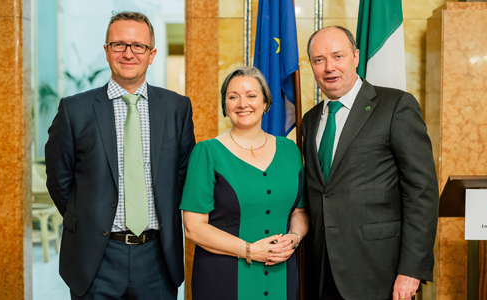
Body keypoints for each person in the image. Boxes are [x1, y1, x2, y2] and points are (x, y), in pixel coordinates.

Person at [45, 11, 195, 299]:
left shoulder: (177, 108)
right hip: (96, 258)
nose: (129, 53)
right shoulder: (74, 110)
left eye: (138, 46)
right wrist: (92, 217)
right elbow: (59, 181)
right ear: (106, 51)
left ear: (151, 54)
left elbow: (182, 174)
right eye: (119, 45)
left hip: (157, 257)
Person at [302, 26, 439, 300]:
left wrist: (411, 270)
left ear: (356, 56)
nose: (329, 67)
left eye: (337, 56)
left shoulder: (395, 106)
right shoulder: (310, 119)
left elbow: (421, 192)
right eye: (319, 60)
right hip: (321, 270)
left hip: (380, 272)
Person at [180, 66, 309, 300]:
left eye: (251, 95)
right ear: (225, 105)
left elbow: (300, 211)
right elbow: (193, 227)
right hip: (223, 278)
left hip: (282, 274)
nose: (242, 103)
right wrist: (249, 250)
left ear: (266, 102)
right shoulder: (207, 152)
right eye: (233, 97)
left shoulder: (290, 150)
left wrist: (294, 238)